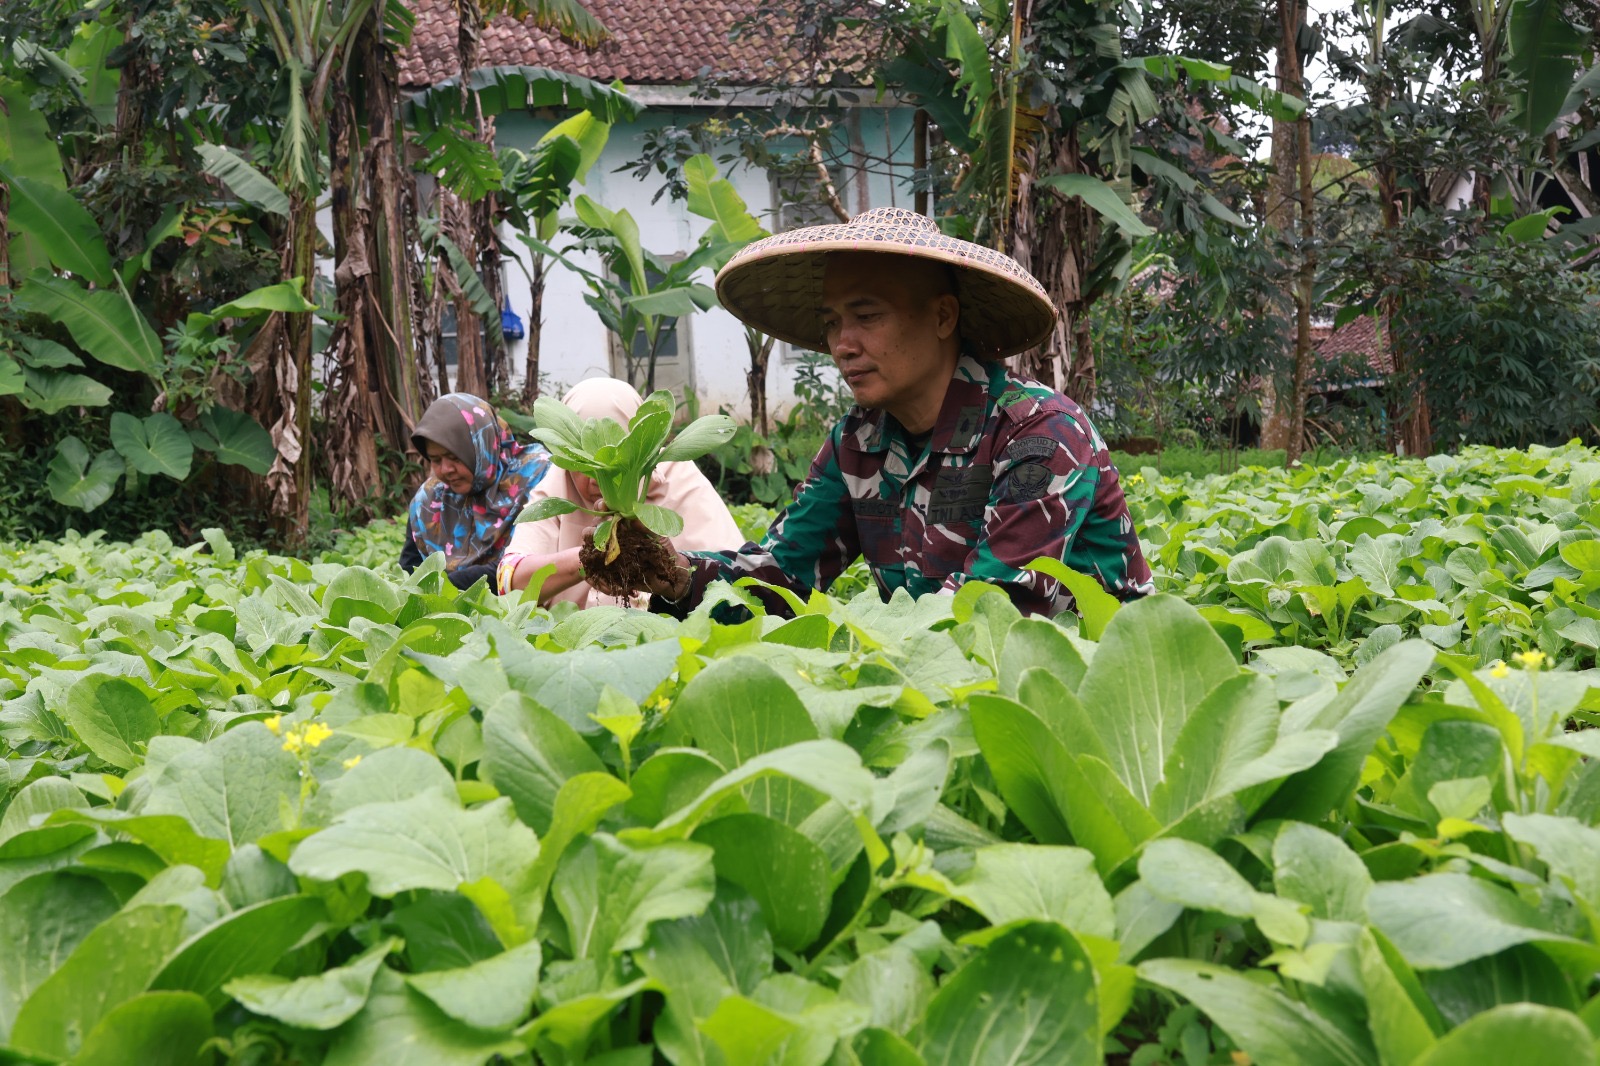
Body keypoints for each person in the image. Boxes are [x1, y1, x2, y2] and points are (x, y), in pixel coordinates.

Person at [625, 206, 1153, 618]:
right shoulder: (858, 444)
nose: (842, 345)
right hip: (941, 681)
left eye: (867, 316)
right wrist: (673, 573)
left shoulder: (1037, 433)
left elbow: (994, 606)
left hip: (1096, 682)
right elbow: (784, 572)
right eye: (832, 322)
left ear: (944, 316)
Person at [495, 377, 744, 607]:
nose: (596, 482)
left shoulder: (678, 478)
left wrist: (672, 570)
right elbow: (509, 580)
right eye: (583, 462)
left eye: (621, 457)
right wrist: (588, 560)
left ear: (644, 446)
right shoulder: (556, 484)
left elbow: (737, 581)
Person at [400, 392, 551, 591]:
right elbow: (410, 569)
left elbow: (525, 567)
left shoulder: (536, 477)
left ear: (482, 444)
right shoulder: (430, 499)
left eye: (453, 456)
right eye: (436, 460)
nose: (445, 469)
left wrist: (442, 588)